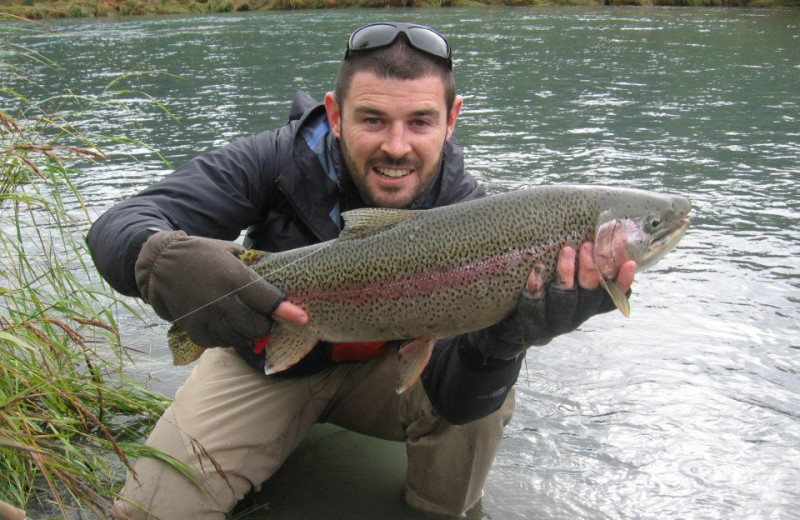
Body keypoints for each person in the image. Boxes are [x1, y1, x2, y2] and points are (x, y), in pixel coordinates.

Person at [88, 22, 635, 520]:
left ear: (452, 120)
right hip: (267, 356)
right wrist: (163, 259)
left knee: (493, 394)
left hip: (392, 372)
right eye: (372, 119)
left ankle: (437, 510)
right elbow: (117, 225)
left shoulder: (474, 212)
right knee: (145, 514)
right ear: (334, 114)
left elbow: (459, 400)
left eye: (420, 121)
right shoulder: (272, 161)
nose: (396, 147)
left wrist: (502, 341)